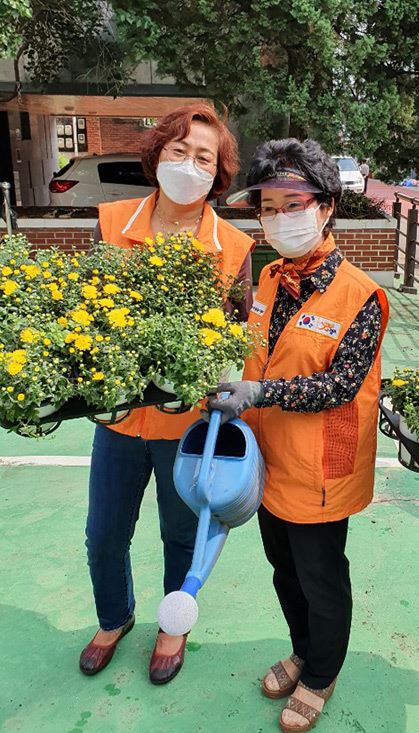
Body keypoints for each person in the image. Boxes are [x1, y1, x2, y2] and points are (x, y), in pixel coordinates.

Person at [209, 138, 389, 732]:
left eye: (294, 203)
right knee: (283, 569)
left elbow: (339, 386)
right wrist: (232, 383)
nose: (279, 218)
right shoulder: (268, 281)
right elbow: (259, 357)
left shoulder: (361, 294)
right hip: (268, 461)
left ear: (326, 207)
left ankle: (321, 673)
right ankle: (302, 649)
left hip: (319, 468)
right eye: (267, 207)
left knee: (320, 576)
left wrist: (261, 395)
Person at [79, 103, 254, 684]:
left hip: (187, 424)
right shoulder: (111, 223)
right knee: (104, 532)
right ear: (157, 156)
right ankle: (113, 618)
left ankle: (172, 624)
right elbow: (85, 310)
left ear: (217, 174)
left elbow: (239, 331)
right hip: (119, 418)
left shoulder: (233, 245)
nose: (188, 163)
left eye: (203, 156)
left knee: (183, 533)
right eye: (177, 151)